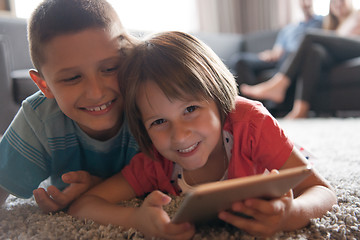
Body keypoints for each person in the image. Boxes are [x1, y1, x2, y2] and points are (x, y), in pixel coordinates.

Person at [68, 31, 337, 239]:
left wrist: (291, 215)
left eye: (190, 109)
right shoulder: (156, 161)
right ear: (144, 129)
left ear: (219, 101)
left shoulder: (251, 124)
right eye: (159, 121)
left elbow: (321, 190)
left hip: (272, 148)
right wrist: (137, 220)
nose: (180, 135)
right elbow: (84, 205)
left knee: (301, 156)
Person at [0, 0, 139, 213]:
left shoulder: (149, 97)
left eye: (110, 68)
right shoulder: (39, 118)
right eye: (73, 78)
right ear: (44, 86)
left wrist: (100, 188)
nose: (96, 92)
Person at [240, 0, 360, 119]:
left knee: (308, 36)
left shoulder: (356, 15)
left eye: (341, 1)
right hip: (339, 54)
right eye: (334, 3)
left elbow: (344, 36)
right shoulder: (331, 24)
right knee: (314, 52)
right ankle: (301, 109)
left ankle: (280, 83)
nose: (338, 4)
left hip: (356, 45)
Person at [230, 0, 323, 87]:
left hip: (299, 57)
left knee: (292, 53)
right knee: (239, 60)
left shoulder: (321, 22)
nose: (306, 3)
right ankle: (254, 99)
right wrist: (269, 55)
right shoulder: (288, 28)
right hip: (282, 59)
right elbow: (277, 53)